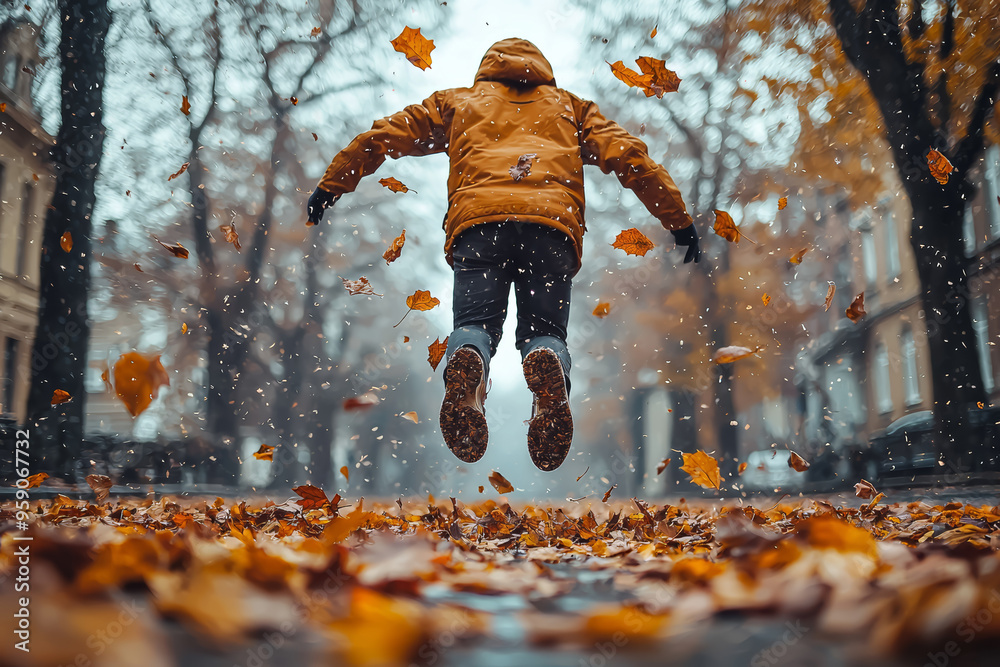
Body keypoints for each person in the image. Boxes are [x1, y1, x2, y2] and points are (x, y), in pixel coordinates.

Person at [307, 38, 698, 472]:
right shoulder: (571, 108)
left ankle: (470, 364)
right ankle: (544, 367)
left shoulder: (459, 103)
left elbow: (387, 134)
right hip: (551, 229)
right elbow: (629, 156)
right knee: (544, 332)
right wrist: (678, 220)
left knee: (475, 325)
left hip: (480, 227)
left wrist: (333, 183)